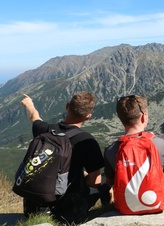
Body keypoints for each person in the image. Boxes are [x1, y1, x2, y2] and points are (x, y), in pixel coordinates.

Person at [20, 92, 104, 224]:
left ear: (66, 107)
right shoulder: (87, 141)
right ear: (88, 117)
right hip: (67, 213)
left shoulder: (45, 129)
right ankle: (106, 210)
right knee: (105, 180)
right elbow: (95, 181)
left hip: (33, 209)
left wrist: (29, 103)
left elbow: (34, 116)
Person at [104, 94, 164, 204]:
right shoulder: (162, 142)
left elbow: (110, 181)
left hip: (126, 206)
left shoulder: (110, 150)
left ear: (121, 119)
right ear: (143, 117)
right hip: (157, 202)